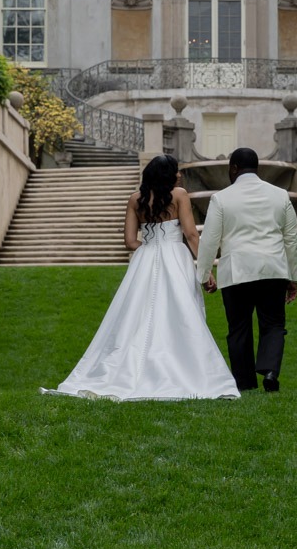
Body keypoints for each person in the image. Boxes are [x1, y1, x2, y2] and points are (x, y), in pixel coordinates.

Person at [45, 155, 240, 401]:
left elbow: (129, 241)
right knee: (180, 310)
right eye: (176, 171)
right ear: (168, 175)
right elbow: (191, 235)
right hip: (175, 257)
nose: (179, 175)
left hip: (145, 259)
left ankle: (131, 369)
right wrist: (205, 271)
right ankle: (184, 368)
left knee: (136, 314)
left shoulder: (135, 199)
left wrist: (150, 246)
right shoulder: (179, 195)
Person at [194, 147, 297, 392]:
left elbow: (210, 239)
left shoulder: (221, 198)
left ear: (233, 168)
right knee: (273, 324)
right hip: (273, 269)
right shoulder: (280, 195)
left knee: (238, 328)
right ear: (258, 168)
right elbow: (292, 239)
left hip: (236, 271)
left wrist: (203, 274)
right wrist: (293, 277)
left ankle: (244, 383)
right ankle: (271, 371)